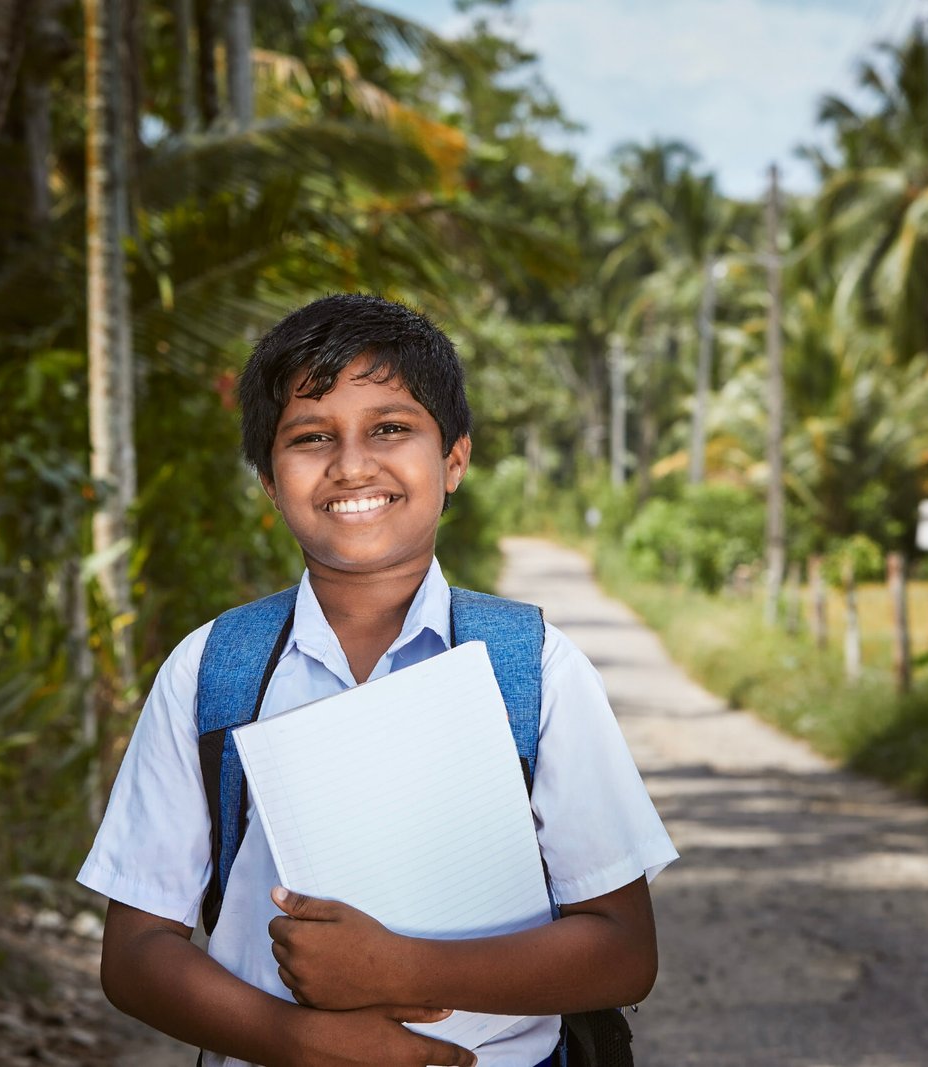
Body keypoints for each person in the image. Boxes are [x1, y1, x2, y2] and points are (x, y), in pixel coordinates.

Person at [78, 293, 677, 1067]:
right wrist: (296, 1038)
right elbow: (134, 954)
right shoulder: (211, 671)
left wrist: (401, 967)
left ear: (453, 458)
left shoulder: (534, 671)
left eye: (390, 428)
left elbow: (625, 951)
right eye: (311, 436)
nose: (352, 464)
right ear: (268, 478)